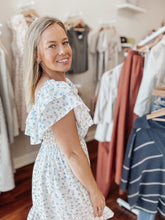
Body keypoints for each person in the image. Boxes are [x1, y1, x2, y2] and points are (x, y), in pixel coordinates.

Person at [24, 16, 114, 220]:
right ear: (37, 55)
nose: (63, 50)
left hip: (51, 168)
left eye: (65, 42)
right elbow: (72, 153)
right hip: (64, 173)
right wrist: (94, 190)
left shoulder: (47, 83)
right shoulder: (56, 91)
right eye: (52, 46)